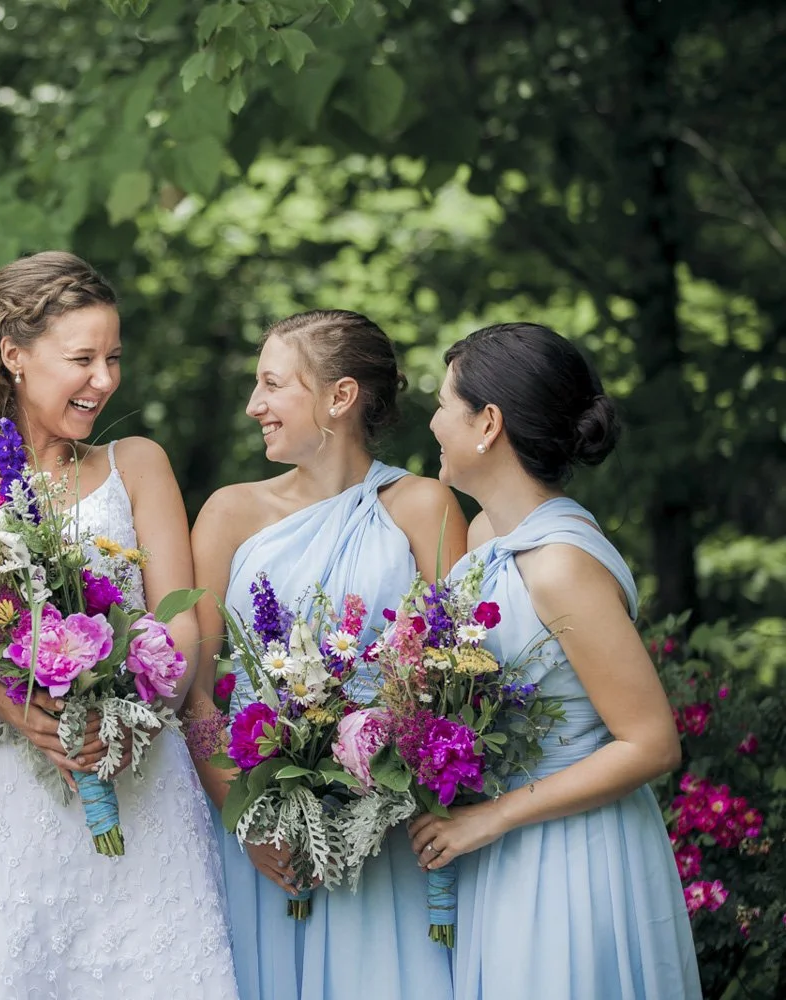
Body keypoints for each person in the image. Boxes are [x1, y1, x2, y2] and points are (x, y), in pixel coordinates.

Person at [0, 251, 239, 999]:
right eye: (82, 358)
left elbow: (177, 621)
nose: (105, 380)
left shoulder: (138, 465)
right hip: (1, 791)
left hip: (139, 780)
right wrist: (21, 711)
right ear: (13, 355)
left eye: (113, 357)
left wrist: (129, 718)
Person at [412, 321, 701, 999]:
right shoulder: (488, 535)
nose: (431, 421)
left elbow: (652, 742)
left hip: (570, 855)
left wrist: (494, 815)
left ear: (488, 423)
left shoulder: (561, 564)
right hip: (499, 850)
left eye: (443, 403)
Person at [185, 309, 464, 1000]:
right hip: (261, 824)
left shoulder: (424, 507)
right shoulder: (229, 512)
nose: (255, 405)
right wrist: (246, 823)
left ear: (340, 397)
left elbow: (459, 674)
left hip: (388, 829)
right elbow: (191, 693)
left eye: (273, 384)